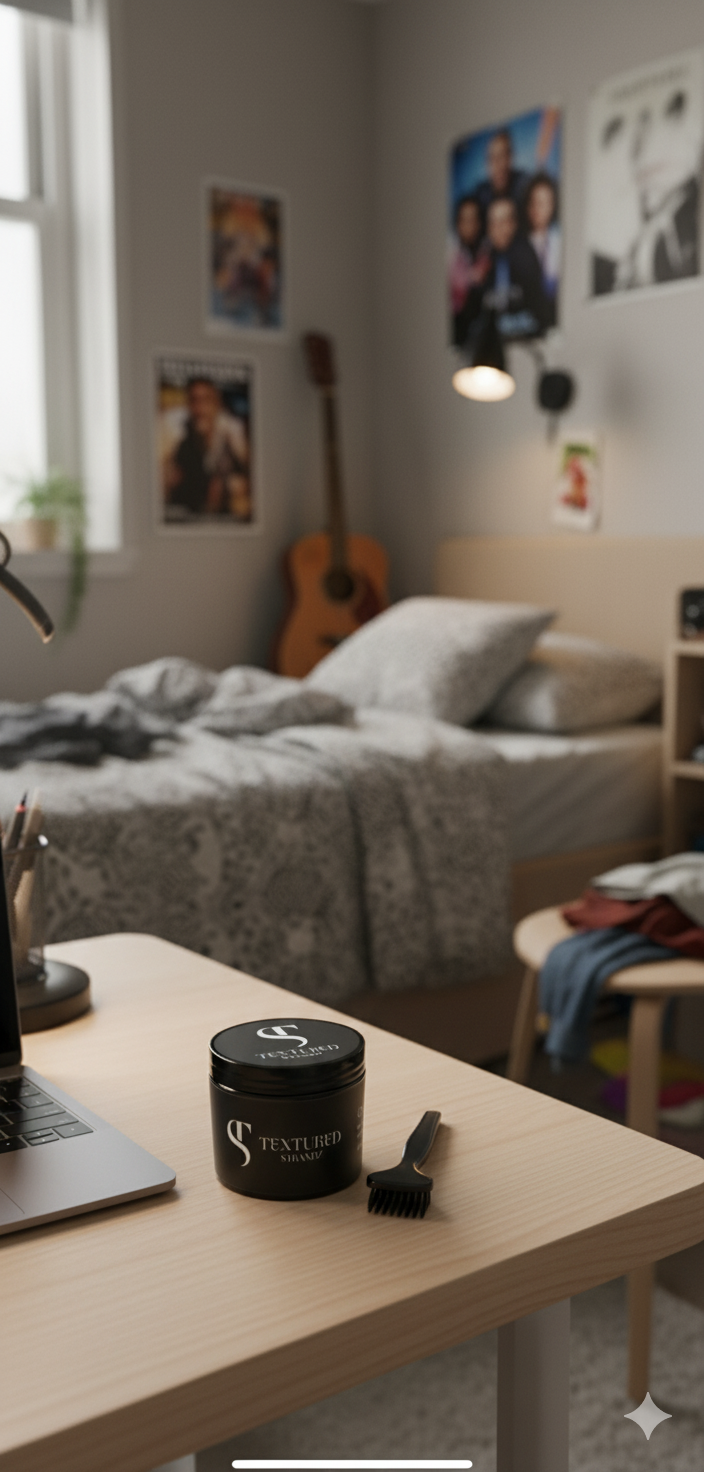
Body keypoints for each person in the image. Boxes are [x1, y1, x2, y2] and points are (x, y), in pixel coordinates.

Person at [455, 196, 550, 344]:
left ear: (514, 224)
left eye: (503, 221)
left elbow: (539, 316)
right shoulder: (482, 260)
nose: (497, 228)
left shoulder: (526, 258)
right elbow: (469, 319)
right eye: (492, 223)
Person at [162, 376, 251, 520]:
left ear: (217, 402)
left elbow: (249, 476)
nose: (200, 409)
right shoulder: (177, 429)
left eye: (206, 400)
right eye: (194, 400)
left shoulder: (232, 429)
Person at [448, 194, 491, 345]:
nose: (470, 226)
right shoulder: (451, 255)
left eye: (474, 220)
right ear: (458, 224)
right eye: (465, 220)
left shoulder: (488, 252)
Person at [525, 172, 560, 325]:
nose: (538, 209)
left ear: (553, 205)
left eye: (544, 203)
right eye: (535, 202)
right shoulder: (520, 247)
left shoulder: (559, 242)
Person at [474, 128, 530, 218]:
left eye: (502, 156)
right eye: (492, 158)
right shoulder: (480, 195)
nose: (497, 164)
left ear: (510, 157)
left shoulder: (526, 186)